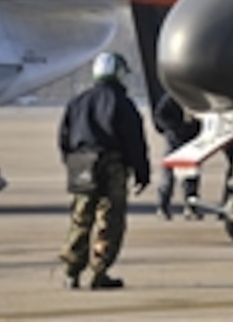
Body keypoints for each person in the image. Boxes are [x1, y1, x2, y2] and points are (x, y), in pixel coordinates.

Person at [57, 51, 150, 290]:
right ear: (119, 73)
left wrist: (70, 161)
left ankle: (71, 272)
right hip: (111, 164)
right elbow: (134, 141)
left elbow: (64, 138)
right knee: (110, 219)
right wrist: (141, 171)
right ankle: (100, 272)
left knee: (80, 218)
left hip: (81, 161)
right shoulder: (123, 103)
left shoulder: (77, 102)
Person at [152, 91, 202, 220]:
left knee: (191, 174)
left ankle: (191, 207)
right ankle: (163, 206)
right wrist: (175, 128)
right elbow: (160, 116)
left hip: (191, 140)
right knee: (168, 175)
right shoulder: (172, 97)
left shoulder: (196, 97)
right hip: (175, 139)